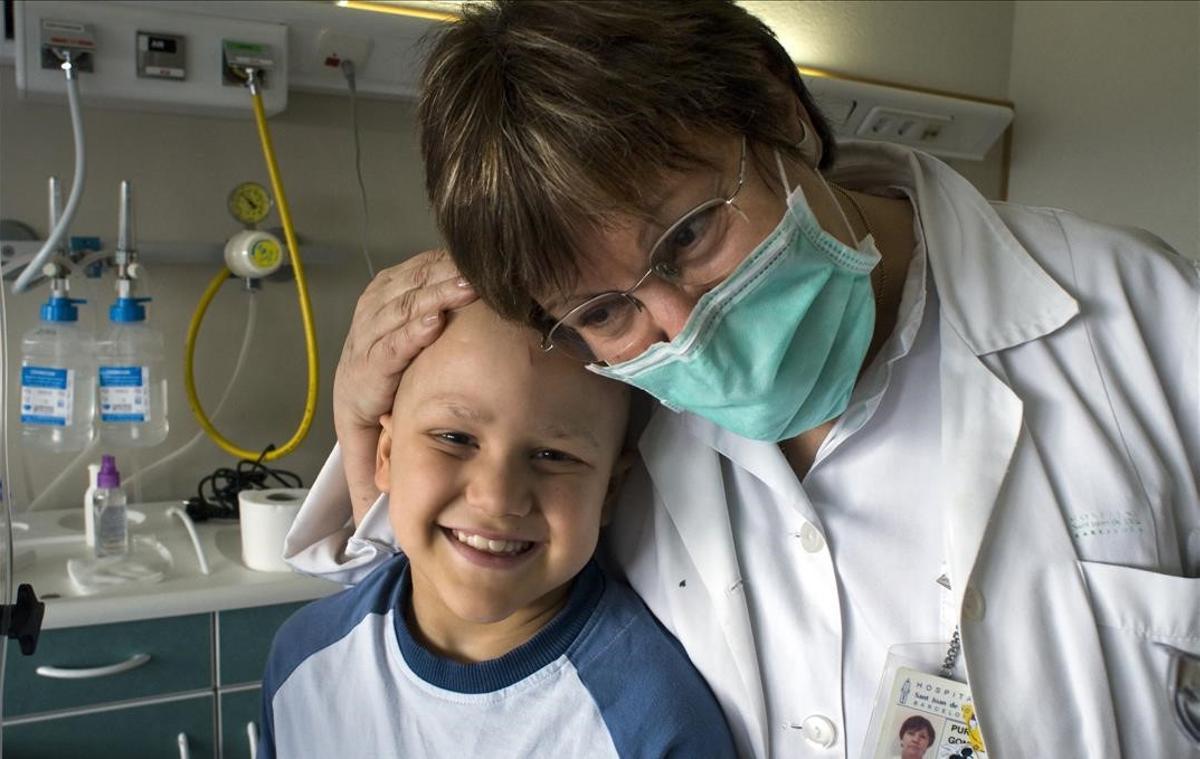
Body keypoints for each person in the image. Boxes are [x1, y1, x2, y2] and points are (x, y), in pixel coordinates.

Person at [286, 2, 1200, 757]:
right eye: (607, 309)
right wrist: (364, 408)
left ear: (778, 110)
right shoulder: (598, 414)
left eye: (687, 237)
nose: (682, 330)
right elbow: (441, 599)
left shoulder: (1146, 321)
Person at [263, 303, 735, 758]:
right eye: (455, 438)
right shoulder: (304, 659)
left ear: (609, 490)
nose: (497, 498)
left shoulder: (655, 721)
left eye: (554, 456)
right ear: (385, 454)